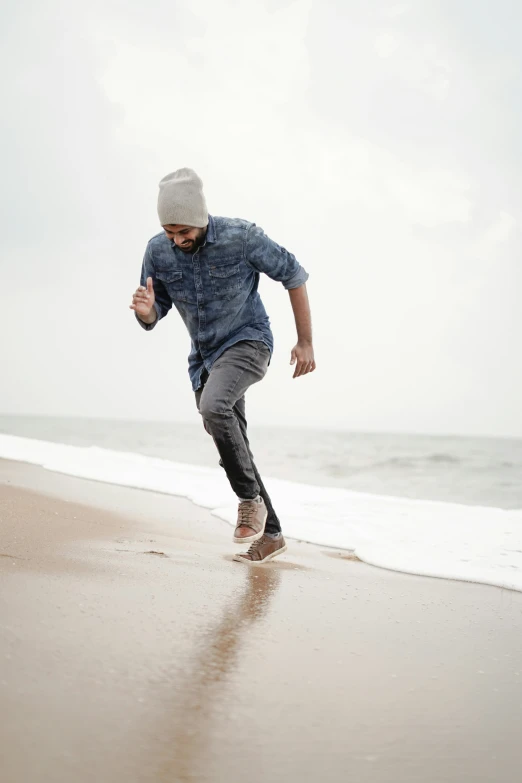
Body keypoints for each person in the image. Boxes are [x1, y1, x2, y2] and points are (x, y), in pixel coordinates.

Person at [130, 168, 315, 563]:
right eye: (169, 233)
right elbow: (155, 307)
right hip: (204, 357)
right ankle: (274, 533)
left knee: (213, 408)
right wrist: (147, 313)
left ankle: (248, 502)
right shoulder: (157, 251)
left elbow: (294, 275)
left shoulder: (241, 237)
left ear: (200, 218)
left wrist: (305, 341)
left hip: (248, 341)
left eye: (183, 232)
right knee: (234, 444)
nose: (177, 241)